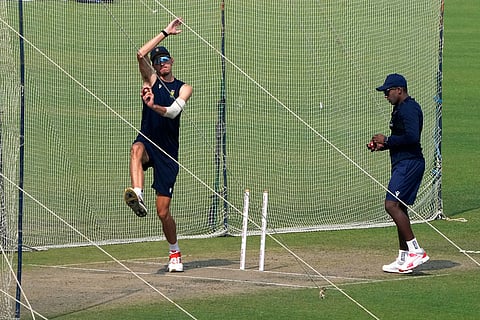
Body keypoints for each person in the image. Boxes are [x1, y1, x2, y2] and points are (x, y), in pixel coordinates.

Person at [124, 17, 193, 272]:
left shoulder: (184, 87)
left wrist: (153, 106)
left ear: (171, 62)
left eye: (165, 59)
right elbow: (140, 53)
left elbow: (174, 112)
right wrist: (165, 32)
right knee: (135, 149)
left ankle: (174, 253)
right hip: (148, 142)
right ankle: (137, 194)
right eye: (157, 61)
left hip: (168, 155)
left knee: (163, 212)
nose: (161, 63)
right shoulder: (151, 80)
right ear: (153, 67)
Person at [368, 73, 429, 274]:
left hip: (409, 164)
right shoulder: (399, 109)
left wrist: (387, 140)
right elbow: (401, 138)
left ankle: (416, 251)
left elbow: (412, 137)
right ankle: (404, 257)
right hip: (403, 162)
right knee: (399, 207)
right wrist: (383, 145)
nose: (386, 95)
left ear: (399, 90)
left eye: (388, 92)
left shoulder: (409, 109)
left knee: (391, 205)